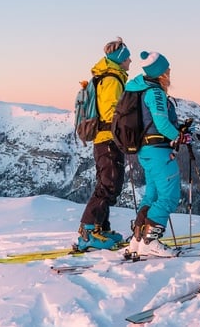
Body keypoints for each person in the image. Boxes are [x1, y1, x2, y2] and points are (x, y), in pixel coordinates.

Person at [125, 51, 191, 258]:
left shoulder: (140, 88)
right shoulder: (155, 93)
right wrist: (179, 137)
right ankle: (150, 241)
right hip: (158, 151)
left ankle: (137, 240)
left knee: (152, 195)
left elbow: (152, 122)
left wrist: (177, 130)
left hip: (146, 151)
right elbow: (161, 123)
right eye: (167, 69)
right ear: (161, 72)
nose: (169, 72)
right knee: (169, 196)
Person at [77, 37, 132, 251]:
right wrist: (126, 129)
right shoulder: (111, 80)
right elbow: (111, 112)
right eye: (127, 58)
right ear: (120, 59)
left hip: (104, 139)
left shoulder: (107, 76)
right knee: (109, 185)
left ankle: (101, 228)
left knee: (107, 182)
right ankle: (89, 231)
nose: (130, 61)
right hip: (108, 138)